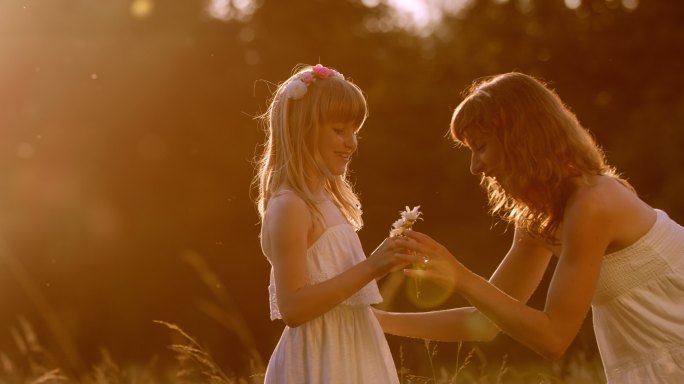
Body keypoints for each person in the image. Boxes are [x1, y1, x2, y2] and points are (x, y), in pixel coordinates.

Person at [374, 72, 684, 383]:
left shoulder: (594, 203)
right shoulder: (540, 219)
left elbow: (553, 339)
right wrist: (377, 321)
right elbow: (483, 322)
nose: (475, 167)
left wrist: (460, 277)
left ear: (519, 138)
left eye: (480, 146)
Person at [253, 64, 419, 383]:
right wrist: (373, 267)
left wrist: (384, 258)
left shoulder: (325, 202)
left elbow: (337, 287)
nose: (352, 142)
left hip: (352, 354)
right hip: (319, 361)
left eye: (355, 131)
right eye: (340, 130)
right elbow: (294, 308)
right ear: (302, 129)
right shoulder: (291, 204)